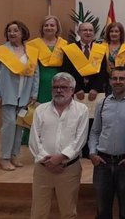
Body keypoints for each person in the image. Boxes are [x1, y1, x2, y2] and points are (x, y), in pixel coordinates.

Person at [29, 72, 89, 219]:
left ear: (72, 90)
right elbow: (34, 139)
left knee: (68, 212)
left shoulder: (82, 110)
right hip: (43, 169)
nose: (59, 90)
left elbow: (80, 139)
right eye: (56, 87)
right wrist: (48, 161)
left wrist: (61, 157)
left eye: (63, 87)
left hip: (68, 168)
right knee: (38, 212)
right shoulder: (40, 110)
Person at [88, 67, 125, 219]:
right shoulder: (102, 103)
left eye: (122, 78)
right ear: (110, 81)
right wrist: (92, 153)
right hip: (102, 163)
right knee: (102, 212)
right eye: (115, 78)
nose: (118, 82)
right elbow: (95, 131)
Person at [0, 20, 39, 170]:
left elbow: (36, 73)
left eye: (15, 30)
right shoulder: (0, 52)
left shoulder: (30, 51)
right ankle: (4, 157)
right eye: (9, 31)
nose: (12, 33)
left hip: (24, 94)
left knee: (19, 126)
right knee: (9, 125)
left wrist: (34, 93)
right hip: (7, 94)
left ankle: (14, 156)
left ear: (23, 33)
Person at [61, 21, 109, 101]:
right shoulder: (70, 49)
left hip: (95, 92)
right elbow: (66, 71)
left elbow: (103, 71)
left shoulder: (100, 49)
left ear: (94, 33)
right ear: (79, 33)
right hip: (75, 92)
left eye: (90, 30)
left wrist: (95, 89)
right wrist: (76, 88)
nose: (88, 32)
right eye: (85, 30)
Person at [27, 15, 68, 103]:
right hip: (39, 84)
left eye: (52, 25)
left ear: (57, 28)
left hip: (60, 83)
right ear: (42, 28)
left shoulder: (65, 44)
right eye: (46, 25)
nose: (49, 28)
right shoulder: (32, 45)